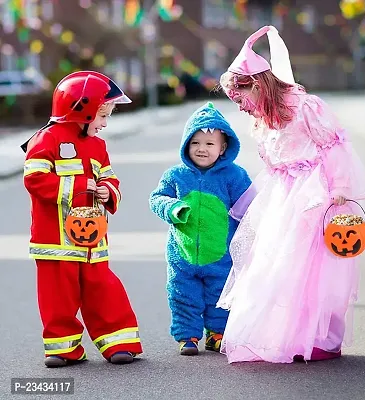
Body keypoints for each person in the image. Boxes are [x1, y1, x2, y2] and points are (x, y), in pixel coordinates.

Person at [216, 26, 365, 363]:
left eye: (241, 98)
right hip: (281, 196)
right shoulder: (263, 117)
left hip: (313, 194)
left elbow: (333, 146)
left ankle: (319, 337)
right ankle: (283, 334)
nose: (241, 107)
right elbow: (274, 160)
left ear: (258, 85)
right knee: (278, 263)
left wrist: (340, 187)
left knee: (314, 265)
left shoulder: (305, 107)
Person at [22, 71, 143, 367]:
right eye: (103, 116)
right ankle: (63, 349)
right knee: (57, 297)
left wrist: (107, 191)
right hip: (54, 240)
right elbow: (34, 179)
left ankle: (119, 342)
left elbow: (111, 178)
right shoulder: (45, 140)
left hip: (91, 239)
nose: (104, 124)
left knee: (104, 288)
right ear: (82, 110)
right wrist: (77, 187)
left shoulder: (98, 147)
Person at [149, 102, 251, 355]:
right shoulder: (176, 176)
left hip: (220, 255)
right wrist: (172, 208)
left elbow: (249, 206)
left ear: (223, 147)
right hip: (182, 256)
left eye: (209, 144)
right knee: (183, 296)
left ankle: (217, 334)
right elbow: (156, 198)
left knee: (220, 296)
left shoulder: (234, 176)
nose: (202, 149)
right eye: (195, 143)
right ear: (186, 145)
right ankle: (188, 336)